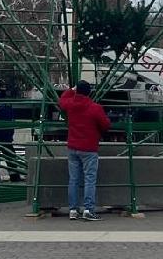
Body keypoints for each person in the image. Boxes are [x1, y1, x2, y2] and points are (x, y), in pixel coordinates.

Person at [58, 80, 111, 222]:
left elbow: (62, 100)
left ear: (77, 91)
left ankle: (73, 210)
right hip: (89, 148)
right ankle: (88, 209)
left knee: (73, 179)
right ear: (89, 92)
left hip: (72, 146)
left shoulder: (70, 105)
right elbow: (106, 125)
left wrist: (71, 90)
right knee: (89, 179)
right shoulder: (95, 108)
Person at [0, 79, 22, 183]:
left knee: (9, 156)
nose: (4, 89)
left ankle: (14, 176)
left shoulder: (4, 100)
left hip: (5, 134)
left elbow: (10, 115)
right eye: (2, 87)